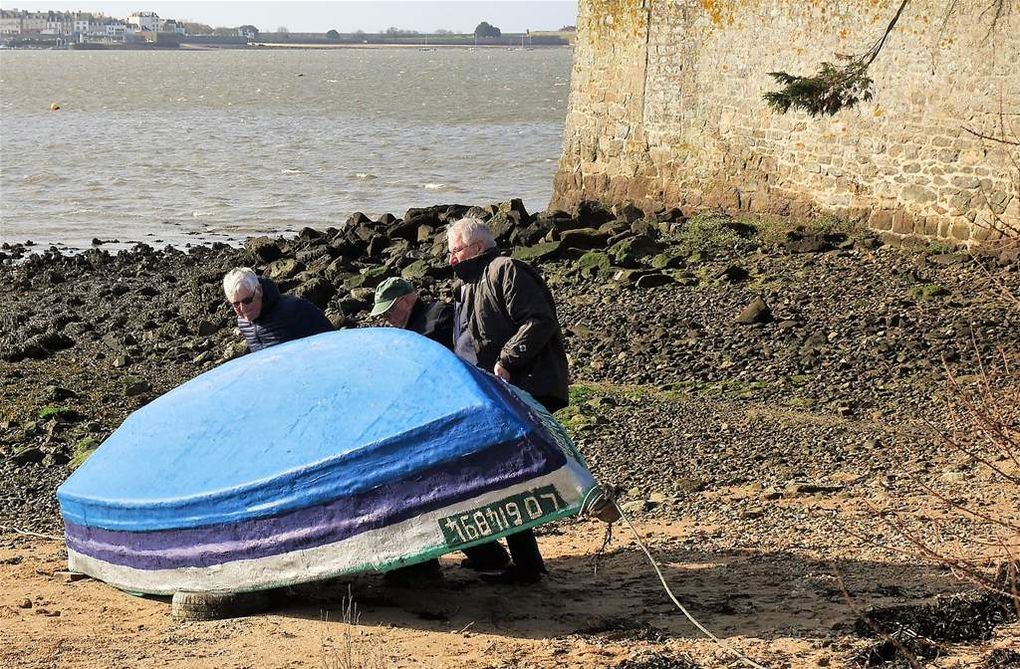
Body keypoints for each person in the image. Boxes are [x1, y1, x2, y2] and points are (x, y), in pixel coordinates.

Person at [446, 217, 571, 584]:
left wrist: (507, 360)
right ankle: (507, 558)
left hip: (524, 386)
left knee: (510, 476)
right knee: (495, 474)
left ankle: (527, 566)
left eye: (455, 251)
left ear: (477, 247)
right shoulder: (468, 283)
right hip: (490, 393)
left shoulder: (506, 270)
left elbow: (539, 320)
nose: (450, 259)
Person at [371, 277, 513, 575]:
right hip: (438, 424)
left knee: (440, 494)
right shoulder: (418, 325)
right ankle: (483, 557)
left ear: (408, 300)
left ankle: (469, 560)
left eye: (389, 310)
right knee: (445, 495)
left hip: (443, 426)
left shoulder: (434, 321)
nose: (386, 319)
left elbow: (434, 373)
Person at [222, 267, 332, 352]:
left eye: (247, 300)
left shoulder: (295, 309)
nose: (243, 308)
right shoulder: (243, 322)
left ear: (259, 290)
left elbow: (333, 340)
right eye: (235, 304)